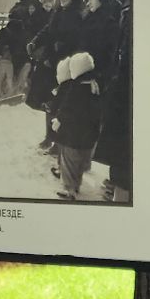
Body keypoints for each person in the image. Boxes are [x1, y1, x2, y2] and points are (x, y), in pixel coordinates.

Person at [93, 4, 134, 203]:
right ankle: (116, 187)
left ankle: (120, 192)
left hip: (126, 92)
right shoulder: (126, 14)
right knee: (120, 155)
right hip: (119, 89)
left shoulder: (126, 16)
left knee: (123, 154)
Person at [50, 52, 103, 200]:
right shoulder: (94, 85)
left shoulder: (76, 87)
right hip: (87, 134)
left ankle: (69, 190)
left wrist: (58, 120)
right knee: (78, 163)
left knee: (69, 162)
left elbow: (68, 107)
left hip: (73, 134)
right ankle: (76, 186)